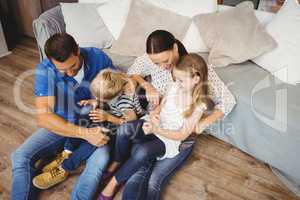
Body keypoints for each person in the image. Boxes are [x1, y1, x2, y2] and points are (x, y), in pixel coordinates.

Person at [120, 30, 236, 200]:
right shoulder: (153, 59)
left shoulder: (195, 69)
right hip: (156, 123)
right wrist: (147, 86)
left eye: (165, 61)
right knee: (137, 172)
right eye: (156, 63)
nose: (161, 67)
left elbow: (228, 100)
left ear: (175, 48)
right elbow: (132, 72)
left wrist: (203, 123)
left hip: (178, 136)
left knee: (154, 181)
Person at [11, 33, 114, 200]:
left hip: (95, 124)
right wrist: (83, 133)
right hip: (63, 125)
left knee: (99, 162)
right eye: (62, 70)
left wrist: (100, 102)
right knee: (20, 156)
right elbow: (44, 117)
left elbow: (116, 90)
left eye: (73, 65)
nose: (70, 73)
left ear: (77, 50)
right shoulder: (45, 69)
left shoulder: (98, 58)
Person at [98, 53, 216, 200]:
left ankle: (112, 184)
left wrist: (156, 129)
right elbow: (162, 106)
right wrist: (155, 113)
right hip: (156, 123)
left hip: (170, 137)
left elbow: (182, 135)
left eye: (181, 80)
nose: (177, 83)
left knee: (143, 151)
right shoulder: (174, 86)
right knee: (124, 129)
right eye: (176, 79)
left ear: (196, 79)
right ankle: (117, 162)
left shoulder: (200, 104)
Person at [31, 69, 145, 190]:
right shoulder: (115, 78)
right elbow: (109, 98)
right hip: (110, 114)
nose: (98, 98)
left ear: (115, 95)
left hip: (119, 125)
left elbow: (130, 122)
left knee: (97, 137)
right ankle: (67, 152)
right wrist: (95, 101)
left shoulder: (125, 102)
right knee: (85, 115)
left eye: (101, 98)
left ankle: (65, 168)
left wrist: (108, 117)